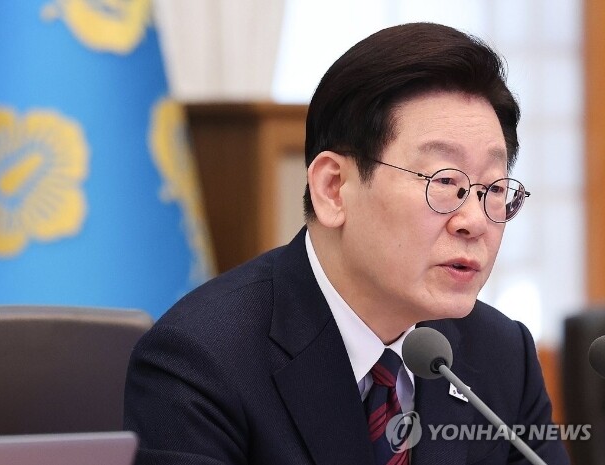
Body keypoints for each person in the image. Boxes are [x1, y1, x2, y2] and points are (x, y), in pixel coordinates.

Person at [124, 22, 570, 464]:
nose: (474, 221)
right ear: (333, 188)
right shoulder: (201, 361)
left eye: (493, 188)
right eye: (444, 181)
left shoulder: (500, 356)